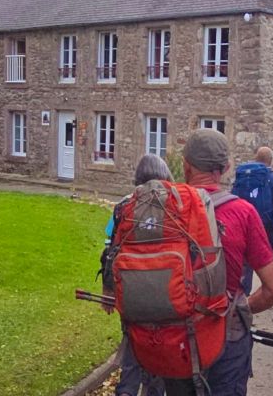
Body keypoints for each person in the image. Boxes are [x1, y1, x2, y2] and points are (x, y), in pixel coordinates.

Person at [159, 129, 273, 395]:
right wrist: (238, 311)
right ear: (226, 168)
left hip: (173, 338)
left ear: (185, 165)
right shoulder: (243, 213)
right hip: (226, 340)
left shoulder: (164, 209)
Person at [103, 154, 175, 396]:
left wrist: (109, 290)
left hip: (132, 291)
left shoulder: (124, 205)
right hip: (164, 292)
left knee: (132, 346)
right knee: (157, 351)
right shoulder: (174, 205)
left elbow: (112, 250)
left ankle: (126, 391)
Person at [231, 147, 273, 249]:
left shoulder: (245, 176)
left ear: (256, 158)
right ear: (271, 160)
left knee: (246, 256)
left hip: (244, 223)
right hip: (265, 225)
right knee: (266, 256)